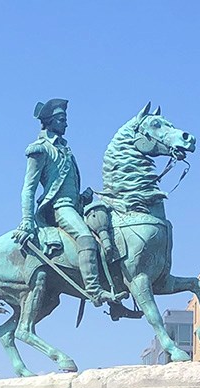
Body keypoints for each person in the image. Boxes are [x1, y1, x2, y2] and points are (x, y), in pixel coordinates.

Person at [12, 98, 120, 307]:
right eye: (62, 119)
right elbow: (28, 188)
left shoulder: (65, 149)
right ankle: (95, 291)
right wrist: (27, 220)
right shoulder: (40, 149)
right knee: (86, 238)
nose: (66, 124)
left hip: (75, 205)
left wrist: (82, 197)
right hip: (59, 208)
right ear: (50, 122)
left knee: (108, 230)